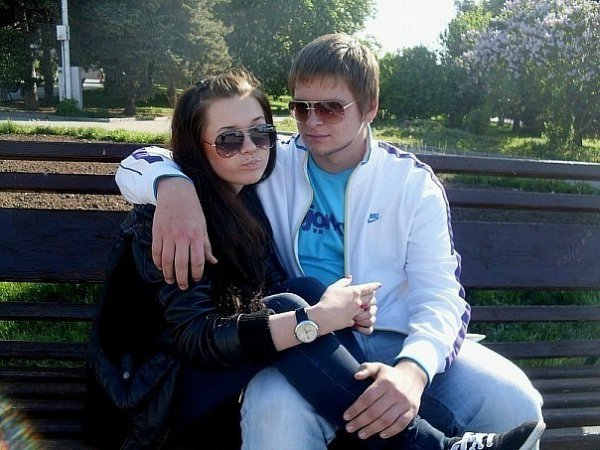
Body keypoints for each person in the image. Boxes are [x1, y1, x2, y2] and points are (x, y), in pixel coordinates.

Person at [115, 35, 545, 450]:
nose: (313, 122)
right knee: (275, 408)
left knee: (516, 403)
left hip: (394, 336)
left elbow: (441, 295)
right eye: (301, 108)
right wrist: (172, 185)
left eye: (331, 108)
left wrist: (412, 371)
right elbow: (150, 159)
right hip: (304, 338)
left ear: (370, 108)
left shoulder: (410, 184)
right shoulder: (271, 162)